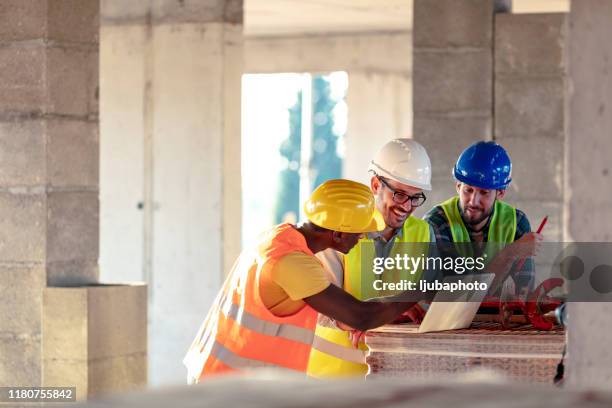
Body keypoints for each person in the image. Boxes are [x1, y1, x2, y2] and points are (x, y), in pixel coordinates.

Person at [183, 179, 430, 383]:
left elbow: (336, 312)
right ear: (339, 233)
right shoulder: (293, 262)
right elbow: (360, 316)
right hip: (229, 386)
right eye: (360, 230)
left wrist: (387, 314)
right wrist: (421, 287)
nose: (364, 236)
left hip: (225, 377)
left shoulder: (280, 237)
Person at [307, 139, 435, 379]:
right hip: (334, 378)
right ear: (376, 185)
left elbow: (426, 303)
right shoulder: (339, 228)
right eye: (399, 194)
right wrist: (375, 314)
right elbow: (318, 306)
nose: (407, 206)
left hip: (393, 376)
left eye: (416, 197)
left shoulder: (423, 233)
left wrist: (404, 311)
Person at [424, 141, 542, 294]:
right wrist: (510, 253)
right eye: (468, 190)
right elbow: (465, 295)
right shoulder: (436, 223)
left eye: (484, 193)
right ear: (458, 186)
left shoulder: (516, 222)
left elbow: (524, 292)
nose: (473, 201)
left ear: (500, 193)